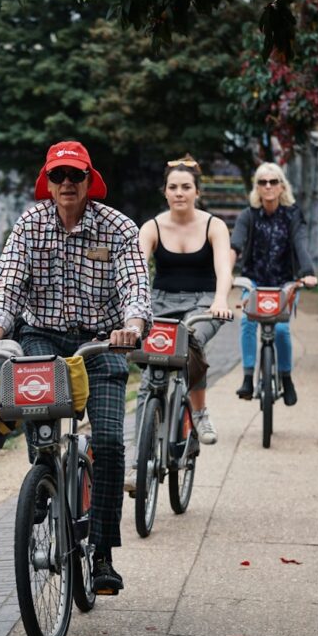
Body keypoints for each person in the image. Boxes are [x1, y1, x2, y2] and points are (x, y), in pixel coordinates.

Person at [0, 140, 152, 594]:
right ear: (46, 182)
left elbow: (134, 285)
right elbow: (8, 284)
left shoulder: (118, 227)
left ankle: (104, 554)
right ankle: (44, 479)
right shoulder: (30, 225)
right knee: (37, 418)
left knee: (108, 442)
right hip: (43, 337)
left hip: (104, 339)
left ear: (91, 181)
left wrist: (131, 326)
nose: (67, 183)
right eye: (59, 176)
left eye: (76, 176)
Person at [125, 155, 233, 490]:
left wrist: (219, 300)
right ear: (165, 192)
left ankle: (198, 413)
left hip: (202, 303)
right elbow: (137, 272)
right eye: (173, 187)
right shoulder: (152, 227)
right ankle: (136, 462)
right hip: (159, 304)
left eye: (186, 187)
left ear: (196, 191)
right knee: (148, 379)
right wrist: (133, 310)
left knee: (190, 340)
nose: (179, 193)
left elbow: (224, 270)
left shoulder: (214, 225)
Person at [230, 162, 318, 405]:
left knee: (280, 328)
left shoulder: (292, 215)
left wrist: (308, 273)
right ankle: (248, 377)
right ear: (257, 188)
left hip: (284, 282)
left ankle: (286, 378)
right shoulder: (248, 215)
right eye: (262, 182)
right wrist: (227, 273)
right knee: (248, 321)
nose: (268, 186)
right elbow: (235, 245)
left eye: (273, 182)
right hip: (255, 281)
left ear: (281, 186)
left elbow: (300, 245)